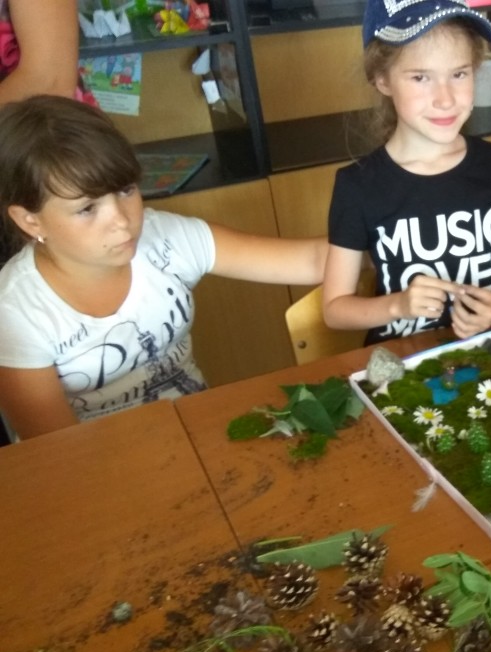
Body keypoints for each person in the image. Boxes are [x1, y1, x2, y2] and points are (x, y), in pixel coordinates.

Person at [0, 95, 330, 441]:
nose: (121, 221)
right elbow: (60, 451)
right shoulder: (15, 313)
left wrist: (373, 230)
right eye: (87, 209)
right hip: (100, 462)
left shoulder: (164, 237)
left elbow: (311, 260)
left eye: (126, 190)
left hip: (198, 434)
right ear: (30, 221)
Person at [322, 0, 491, 345]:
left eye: (459, 74)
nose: (445, 99)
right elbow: (335, 309)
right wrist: (398, 305)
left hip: (490, 353)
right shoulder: (357, 185)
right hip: (406, 361)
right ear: (382, 79)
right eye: (421, 77)